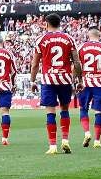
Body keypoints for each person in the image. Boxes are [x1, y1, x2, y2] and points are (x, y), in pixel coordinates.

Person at [30, 14, 82, 155]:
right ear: (60, 23)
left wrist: (33, 81)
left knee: (50, 111)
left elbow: (35, 64)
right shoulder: (69, 39)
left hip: (48, 80)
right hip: (65, 79)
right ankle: (65, 140)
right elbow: (77, 62)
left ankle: (52, 145)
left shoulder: (41, 40)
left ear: (46, 24)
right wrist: (80, 80)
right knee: (64, 109)